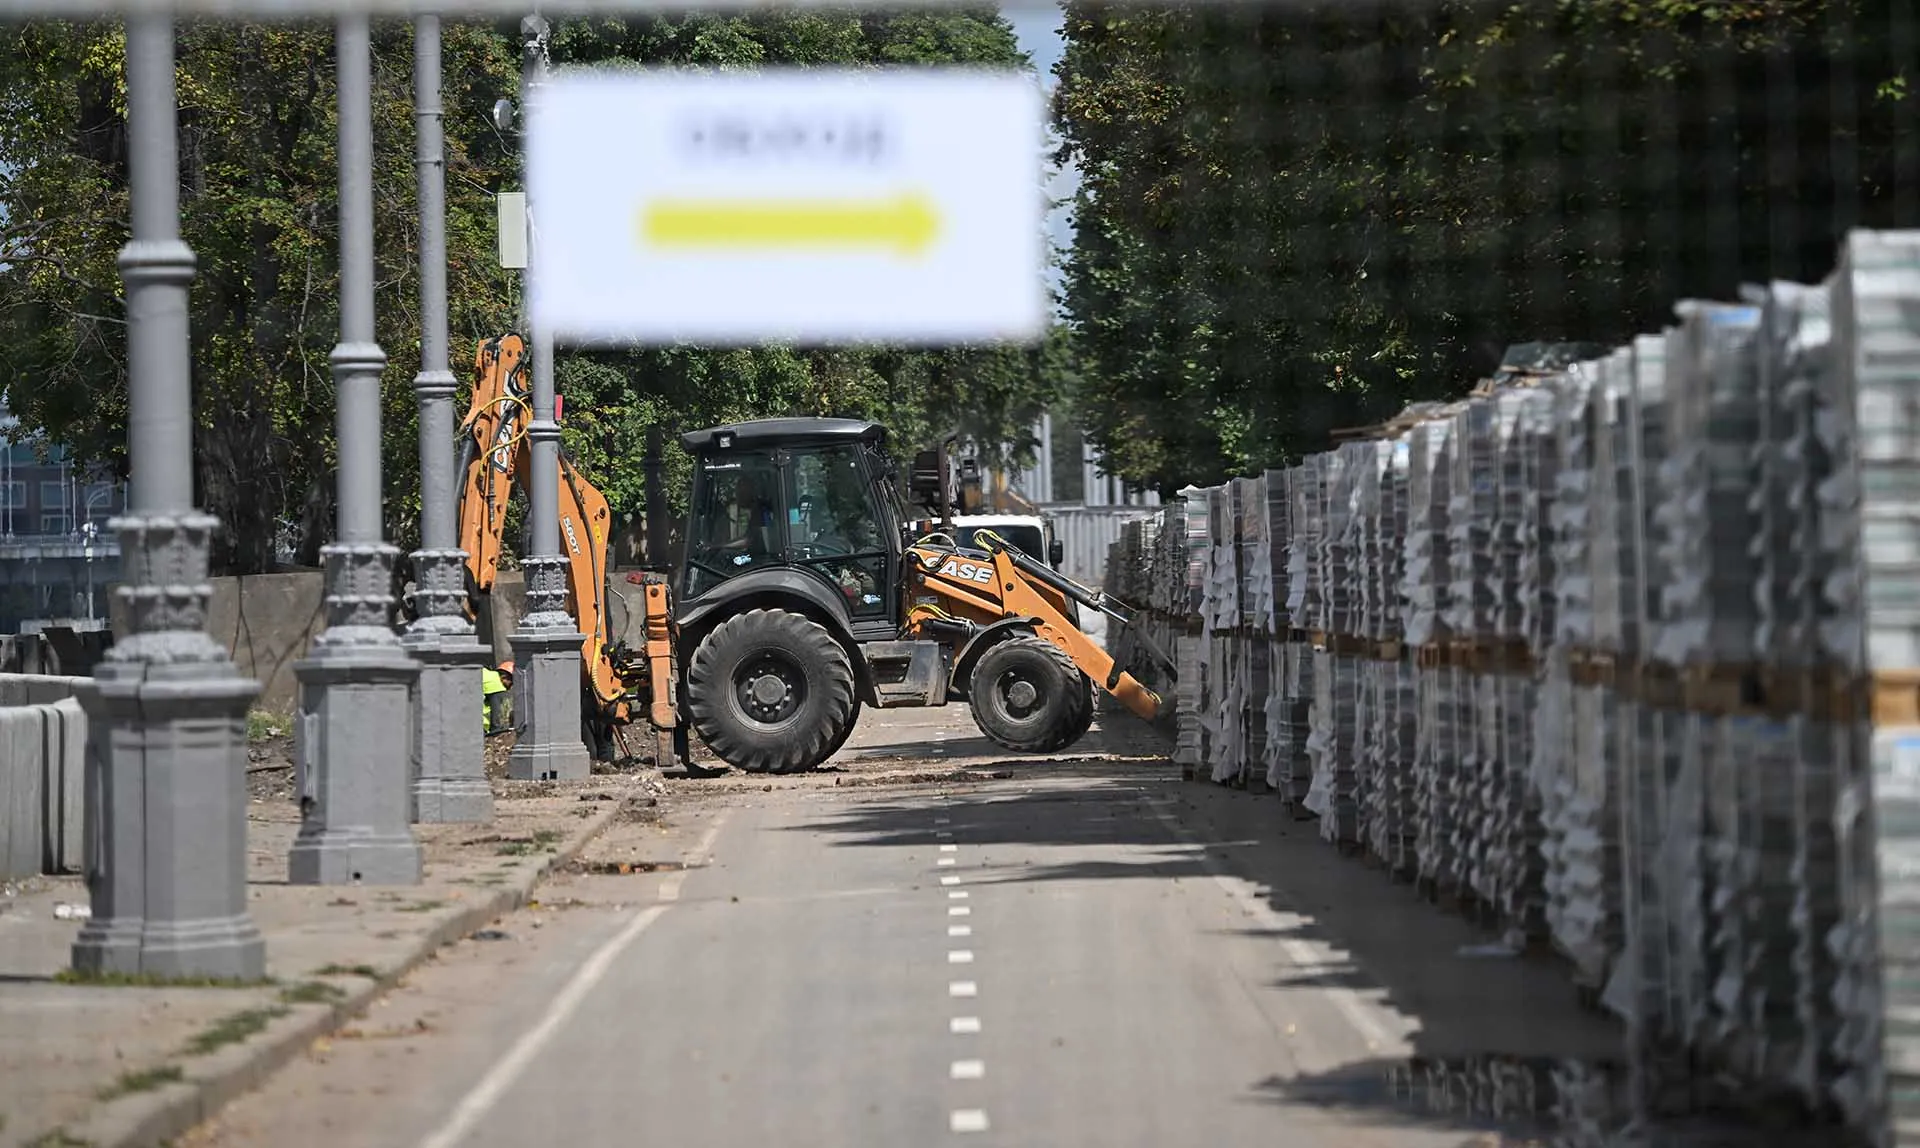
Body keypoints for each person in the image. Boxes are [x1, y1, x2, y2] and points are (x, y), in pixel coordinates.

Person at [483, 660, 514, 736]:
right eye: (511, 683)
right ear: (504, 677)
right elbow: (499, 718)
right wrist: (497, 733)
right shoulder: (496, 684)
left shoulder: (486, 675)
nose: (511, 687)